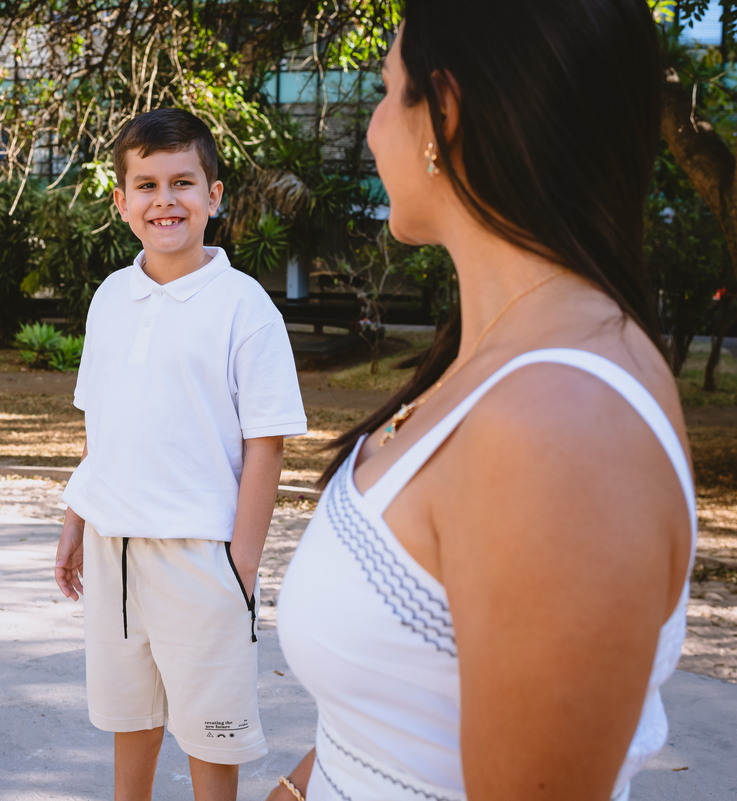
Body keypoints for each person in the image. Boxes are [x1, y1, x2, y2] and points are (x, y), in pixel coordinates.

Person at [269, 3, 695, 801]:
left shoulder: (560, 424)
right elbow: (402, 706)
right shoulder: (502, 353)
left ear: (446, 112)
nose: (368, 130)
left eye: (383, 89)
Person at [53, 108, 308, 801]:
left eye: (183, 183)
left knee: (208, 730)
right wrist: (77, 515)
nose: (164, 200)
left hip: (203, 558)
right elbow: (101, 424)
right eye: (146, 185)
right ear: (121, 201)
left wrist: (242, 565)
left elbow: (268, 443)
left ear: (214, 196)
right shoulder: (110, 296)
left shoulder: (244, 306)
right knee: (130, 715)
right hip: (114, 549)